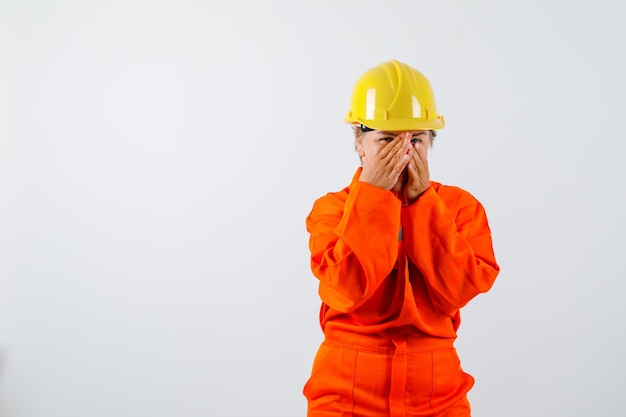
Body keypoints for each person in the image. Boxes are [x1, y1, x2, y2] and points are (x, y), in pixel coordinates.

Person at [303, 59, 500, 417]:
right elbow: (346, 288)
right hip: (345, 391)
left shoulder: (460, 207)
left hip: (437, 392)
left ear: (430, 143)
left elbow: (461, 288)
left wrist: (423, 203)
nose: (403, 152)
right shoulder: (331, 209)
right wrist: (374, 197)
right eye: (387, 139)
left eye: (416, 140)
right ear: (360, 144)